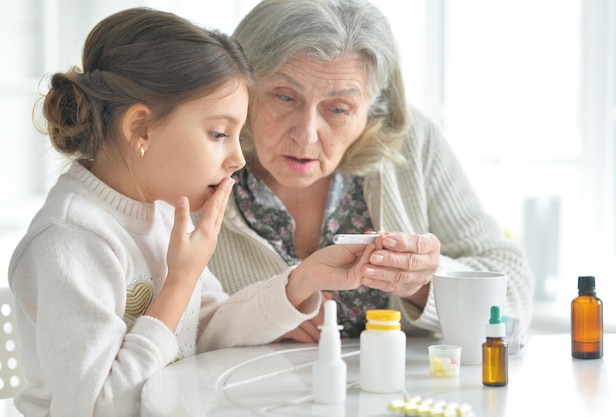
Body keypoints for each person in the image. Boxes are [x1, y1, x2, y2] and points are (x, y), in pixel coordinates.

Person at [8, 8, 372, 416]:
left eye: (237, 136)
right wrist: (180, 281)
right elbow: (96, 408)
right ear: (140, 129)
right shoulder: (71, 237)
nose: (237, 158)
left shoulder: (160, 211)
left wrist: (304, 278)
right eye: (219, 134)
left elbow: (207, 328)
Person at [206, 0, 534, 342]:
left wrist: (426, 285)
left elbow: (514, 303)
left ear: (372, 112)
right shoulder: (200, 158)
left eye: (338, 108)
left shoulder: (412, 143)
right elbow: (172, 329)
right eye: (285, 98)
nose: (306, 134)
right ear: (242, 87)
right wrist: (264, 315)